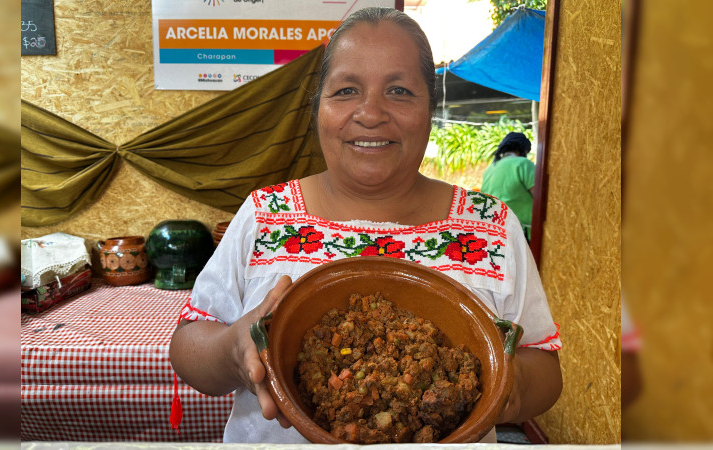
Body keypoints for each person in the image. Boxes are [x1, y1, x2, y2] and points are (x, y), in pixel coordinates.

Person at [169, 7, 562, 444]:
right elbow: (189, 344)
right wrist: (231, 351)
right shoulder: (267, 214)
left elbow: (543, 363)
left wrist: (506, 390)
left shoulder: (491, 227)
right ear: (318, 106)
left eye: (399, 90)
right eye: (346, 90)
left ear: (431, 108)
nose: (371, 113)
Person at [480, 132, 536, 241]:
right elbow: (539, 198)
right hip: (521, 234)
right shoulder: (524, 164)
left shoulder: (490, 169)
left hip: (495, 233)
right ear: (524, 150)